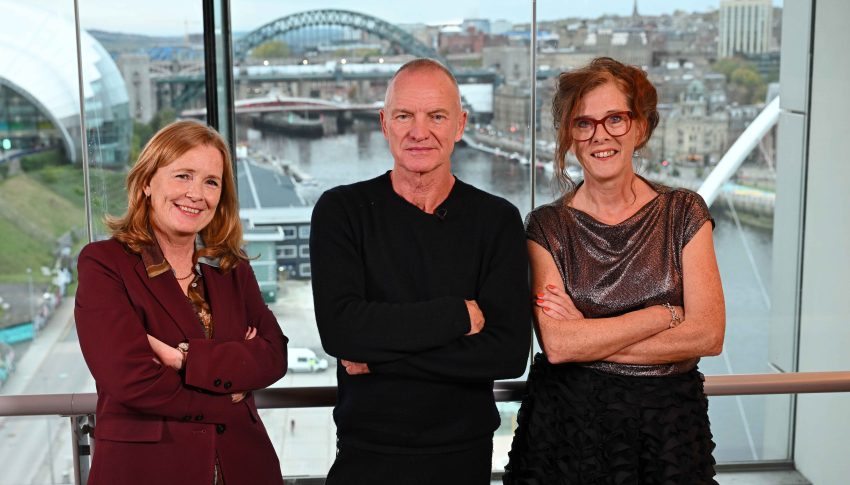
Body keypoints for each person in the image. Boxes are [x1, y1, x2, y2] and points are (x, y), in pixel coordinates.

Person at [504, 57, 726, 484]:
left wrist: (589, 336)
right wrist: (663, 315)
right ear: (570, 136)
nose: (599, 135)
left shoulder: (684, 212)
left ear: (640, 127)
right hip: (569, 432)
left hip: (668, 433)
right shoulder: (546, 227)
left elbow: (709, 334)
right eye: (583, 123)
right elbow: (560, 345)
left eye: (615, 120)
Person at [310, 58, 532, 485]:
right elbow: (341, 333)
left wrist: (378, 360)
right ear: (384, 123)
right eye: (404, 115)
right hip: (365, 455)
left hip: (463, 458)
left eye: (436, 116)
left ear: (460, 124)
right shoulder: (341, 211)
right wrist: (457, 316)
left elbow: (506, 353)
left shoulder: (497, 219)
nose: (419, 131)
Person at [75, 120, 288, 485]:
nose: (196, 193)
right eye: (182, 176)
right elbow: (132, 379)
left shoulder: (231, 267)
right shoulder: (105, 264)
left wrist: (184, 360)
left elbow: (274, 355)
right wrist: (229, 388)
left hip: (245, 467)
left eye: (211, 182)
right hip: (146, 470)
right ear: (146, 183)